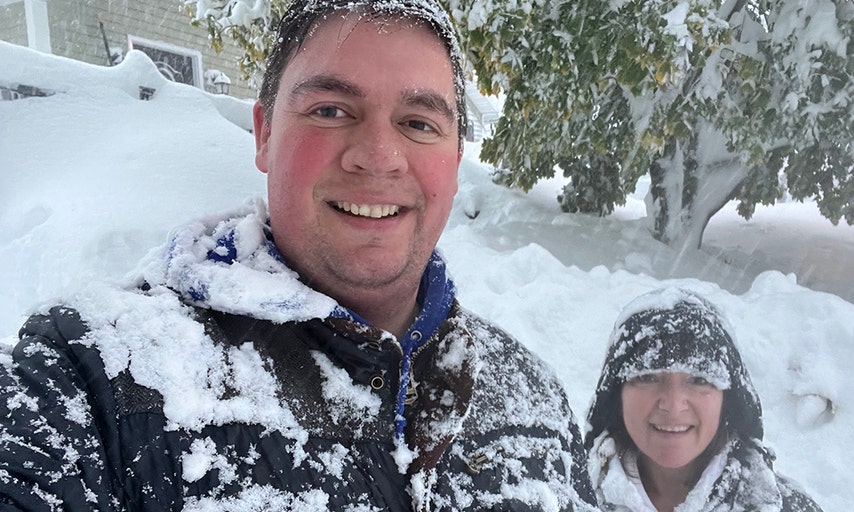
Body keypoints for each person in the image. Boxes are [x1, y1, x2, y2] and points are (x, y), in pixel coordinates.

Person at [0, 1, 596, 510]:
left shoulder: (530, 396)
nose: (379, 156)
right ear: (263, 134)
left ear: (456, 158)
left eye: (418, 122)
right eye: (331, 111)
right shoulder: (97, 373)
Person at [584, 288, 823, 512]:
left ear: (728, 398)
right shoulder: (569, 492)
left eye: (698, 380)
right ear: (616, 393)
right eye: (648, 377)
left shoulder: (787, 507)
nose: (673, 404)